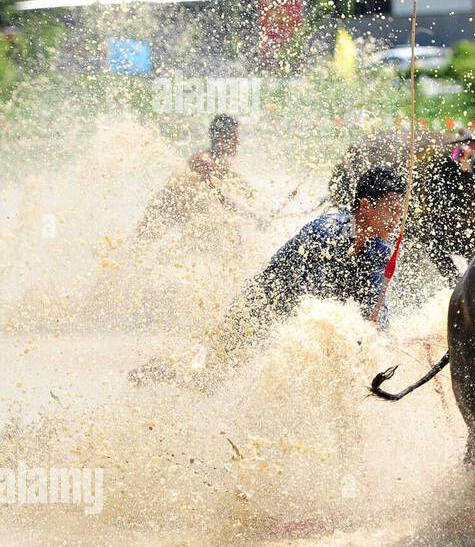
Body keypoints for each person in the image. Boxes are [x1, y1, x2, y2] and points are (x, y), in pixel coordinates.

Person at [131, 165, 407, 387]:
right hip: (260, 308)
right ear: (366, 206)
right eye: (391, 208)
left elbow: (377, 305)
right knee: (209, 379)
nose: (397, 218)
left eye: (400, 210)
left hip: (295, 327)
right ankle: (162, 372)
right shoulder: (328, 231)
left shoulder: (379, 250)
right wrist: (346, 329)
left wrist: (377, 328)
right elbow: (312, 299)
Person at [136, 114, 259, 236]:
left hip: (187, 211)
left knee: (231, 235)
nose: (237, 142)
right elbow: (222, 199)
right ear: (222, 139)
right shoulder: (204, 161)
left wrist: (258, 209)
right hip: (166, 208)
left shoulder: (220, 163)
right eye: (234, 137)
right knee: (138, 243)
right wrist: (251, 216)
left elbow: (239, 185)